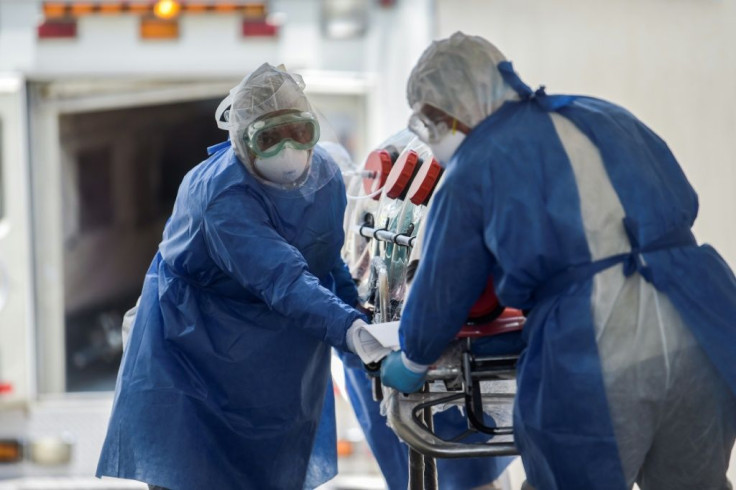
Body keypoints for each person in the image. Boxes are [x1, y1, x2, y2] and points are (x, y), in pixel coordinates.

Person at [380, 32, 736, 490]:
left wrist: (411, 359)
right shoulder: (607, 115)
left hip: (598, 342)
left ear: (452, 107)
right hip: (702, 317)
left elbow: (443, 287)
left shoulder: (475, 165)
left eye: (432, 122)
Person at [96, 63, 368, 490]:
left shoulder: (326, 178)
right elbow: (283, 278)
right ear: (242, 142)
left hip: (274, 358)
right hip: (192, 352)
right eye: (268, 138)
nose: (288, 149)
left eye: (300, 132)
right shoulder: (221, 193)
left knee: (269, 471)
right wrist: (348, 330)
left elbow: (327, 261)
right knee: (192, 470)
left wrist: (359, 325)